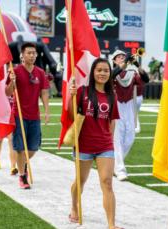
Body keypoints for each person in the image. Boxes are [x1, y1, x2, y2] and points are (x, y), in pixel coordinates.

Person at [68, 58, 121, 229]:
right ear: (93, 72)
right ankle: (74, 207)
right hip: (83, 145)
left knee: (107, 182)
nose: (102, 73)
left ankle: (111, 224)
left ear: (110, 73)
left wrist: (109, 141)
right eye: (99, 70)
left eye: (106, 70)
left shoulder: (112, 95)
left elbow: (112, 121)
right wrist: (72, 96)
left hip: (105, 146)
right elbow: (71, 114)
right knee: (81, 181)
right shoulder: (83, 91)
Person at [6, 42, 50, 189]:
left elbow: (44, 92)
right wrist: (12, 82)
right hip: (18, 114)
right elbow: (7, 92)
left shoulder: (40, 73)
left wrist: (46, 110)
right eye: (29, 53)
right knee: (19, 148)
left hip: (34, 116)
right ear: (22, 55)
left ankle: (22, 166)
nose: (32, 55)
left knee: (32, 148)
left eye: (34, 53)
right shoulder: (15, 71)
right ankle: (22, 177)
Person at [111, 50, 149, 181]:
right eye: (119, 57)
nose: (122, 58)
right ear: (115, 61)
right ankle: (120, 170)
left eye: (123, 56)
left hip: (129, 107)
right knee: (117, 140)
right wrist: (125, 62)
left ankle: (113, 165)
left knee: (129, 139)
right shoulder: (112, 73)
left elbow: (146, 79)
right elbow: (113, 75)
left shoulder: (132, 73)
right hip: (116, 107)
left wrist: (137, 65)